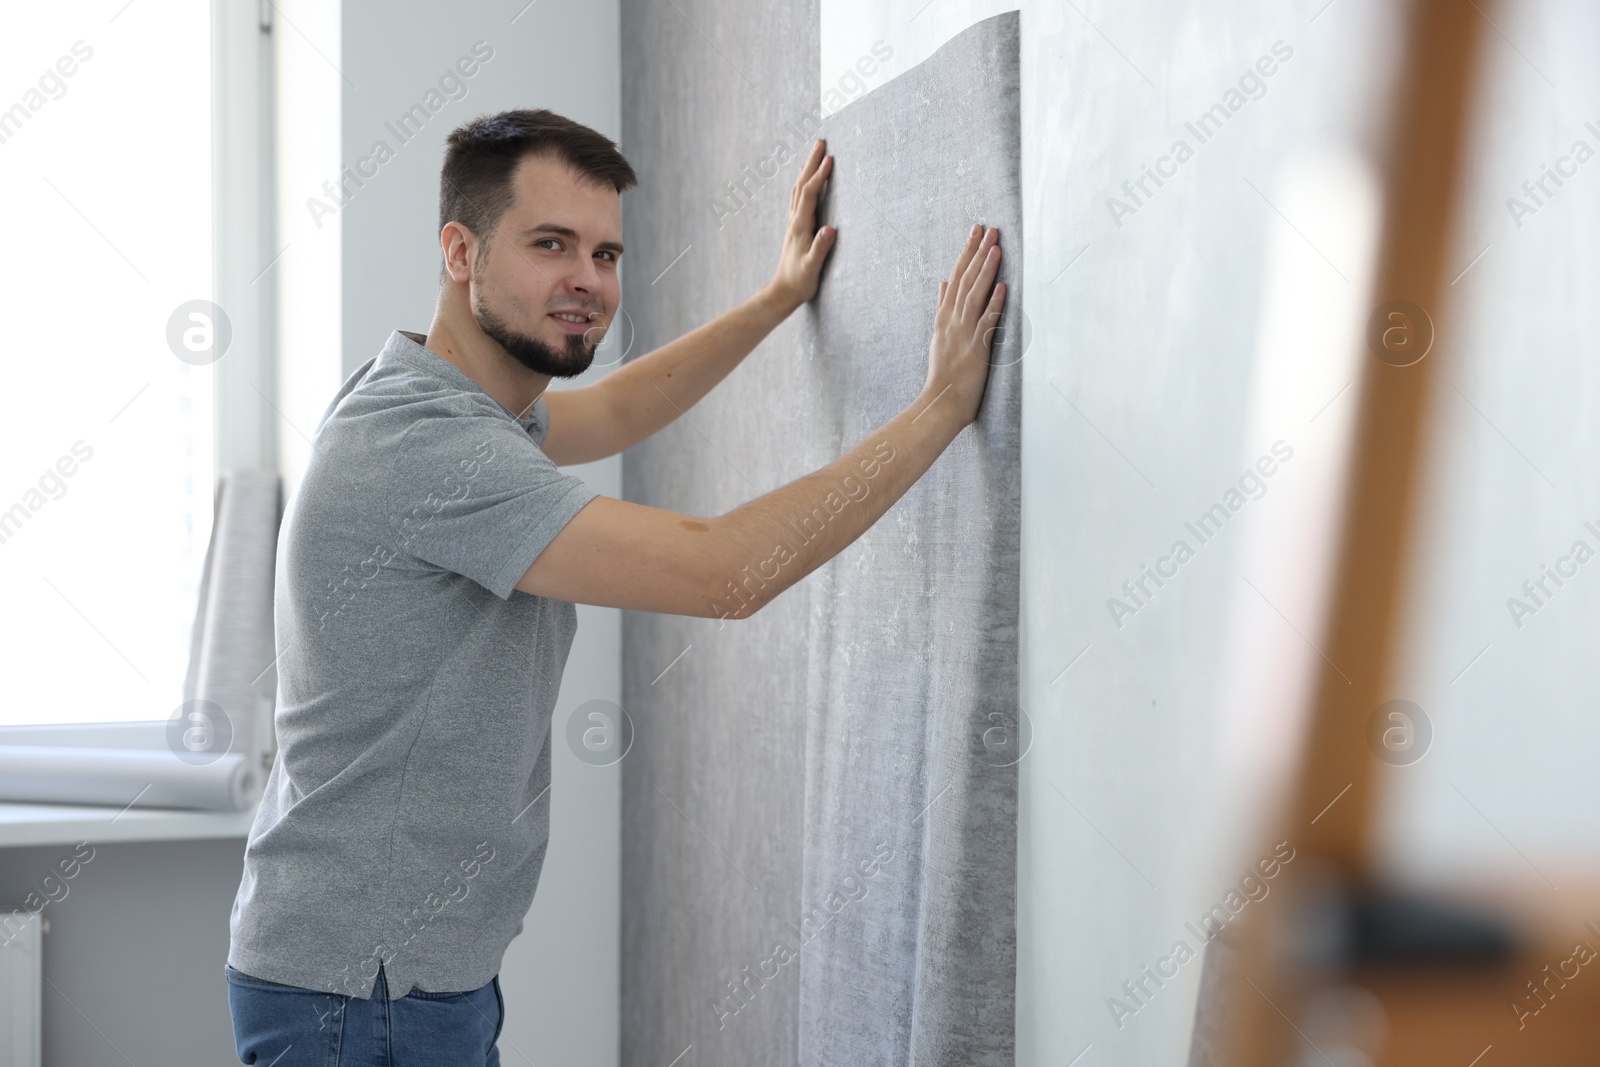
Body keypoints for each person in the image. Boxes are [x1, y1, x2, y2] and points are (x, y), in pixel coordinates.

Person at [224, 107, 1005, 1065]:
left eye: (605, 253)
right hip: (362, 990)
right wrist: (937, 411)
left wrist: (775, 299)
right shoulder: (427, 448)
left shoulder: (440, 395)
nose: (588, 283)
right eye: (552, 244)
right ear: (460, 250)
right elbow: (725, 572)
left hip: (391, 973)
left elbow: (615, 408)